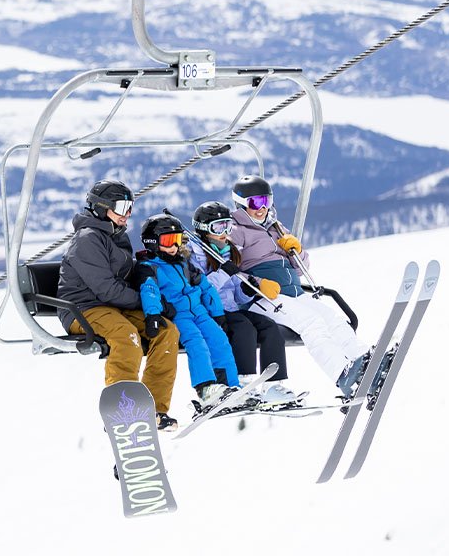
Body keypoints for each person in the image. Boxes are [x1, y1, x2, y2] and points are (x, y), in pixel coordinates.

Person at [225, 175, 373, 398]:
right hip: (262, 296)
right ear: (241, 204)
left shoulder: (276, 227)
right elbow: (228, 270)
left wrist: (297, 250)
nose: (262, 208)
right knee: (312, 323)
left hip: (294, 292)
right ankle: (342, 374)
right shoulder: (235, 230)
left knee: (333, 320)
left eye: (266, 201)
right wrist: (256, 283)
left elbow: (303, 266)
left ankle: (365, 362)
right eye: (255, 203)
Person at [57, 180, 182, 431]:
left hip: (113, 307)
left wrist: (147, 278)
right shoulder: (88, 239)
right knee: (127, 337)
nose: (127, 214)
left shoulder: (115, 236)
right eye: (122, 207)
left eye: (130, 207)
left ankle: (154, 409)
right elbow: (106, 289)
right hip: (84, 309)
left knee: (167, 332)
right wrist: (148, 305)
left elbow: (126, 275)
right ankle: (122, 409)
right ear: (102, 208)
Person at [187, 201, 297, 405]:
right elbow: (199, 290)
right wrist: (222, 273)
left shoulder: (229, 251)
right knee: (244, 328)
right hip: (210, 311)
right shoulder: (194, 255)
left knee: (269, 327)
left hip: (231, 307)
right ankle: (243, 383)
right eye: (218, 227)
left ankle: (273, 385)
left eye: (228, 226)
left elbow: (236, 292)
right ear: (204, 230)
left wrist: (245, 291)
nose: (225, 232)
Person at [133, 213, 243, 415]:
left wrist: (217, 313)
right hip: (179, 316)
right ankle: (206, 388)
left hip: (200, 312)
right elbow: (149, 292)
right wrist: (153, 315)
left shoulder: (184, 264)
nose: (174, 246)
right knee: (196, 343)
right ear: (153, 243)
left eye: (177, 240)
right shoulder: (149, 268)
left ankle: (230, 385)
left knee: (220, 340)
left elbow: (206, 287)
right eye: (168, 241)